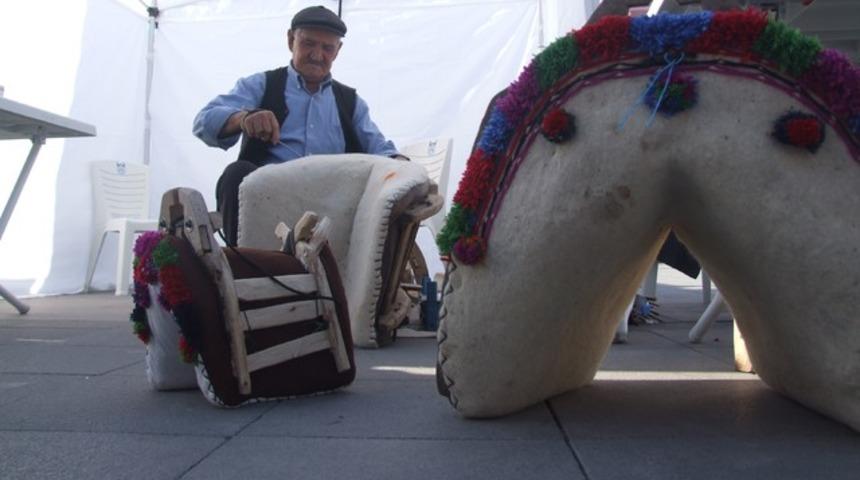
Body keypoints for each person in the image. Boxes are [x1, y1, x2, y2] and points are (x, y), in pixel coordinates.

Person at [193, 5, 405, 245]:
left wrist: (402, 166)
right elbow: (203, 121)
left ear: (338, 51)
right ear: (290, 39)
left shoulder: (350, 103)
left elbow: (380, 149)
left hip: (331, 215)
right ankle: (244, 269)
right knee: (236, 174)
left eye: (327, 48)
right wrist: (242, 118)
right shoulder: (262, 85)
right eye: (308, 43)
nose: (317, 54)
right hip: (268, 206)